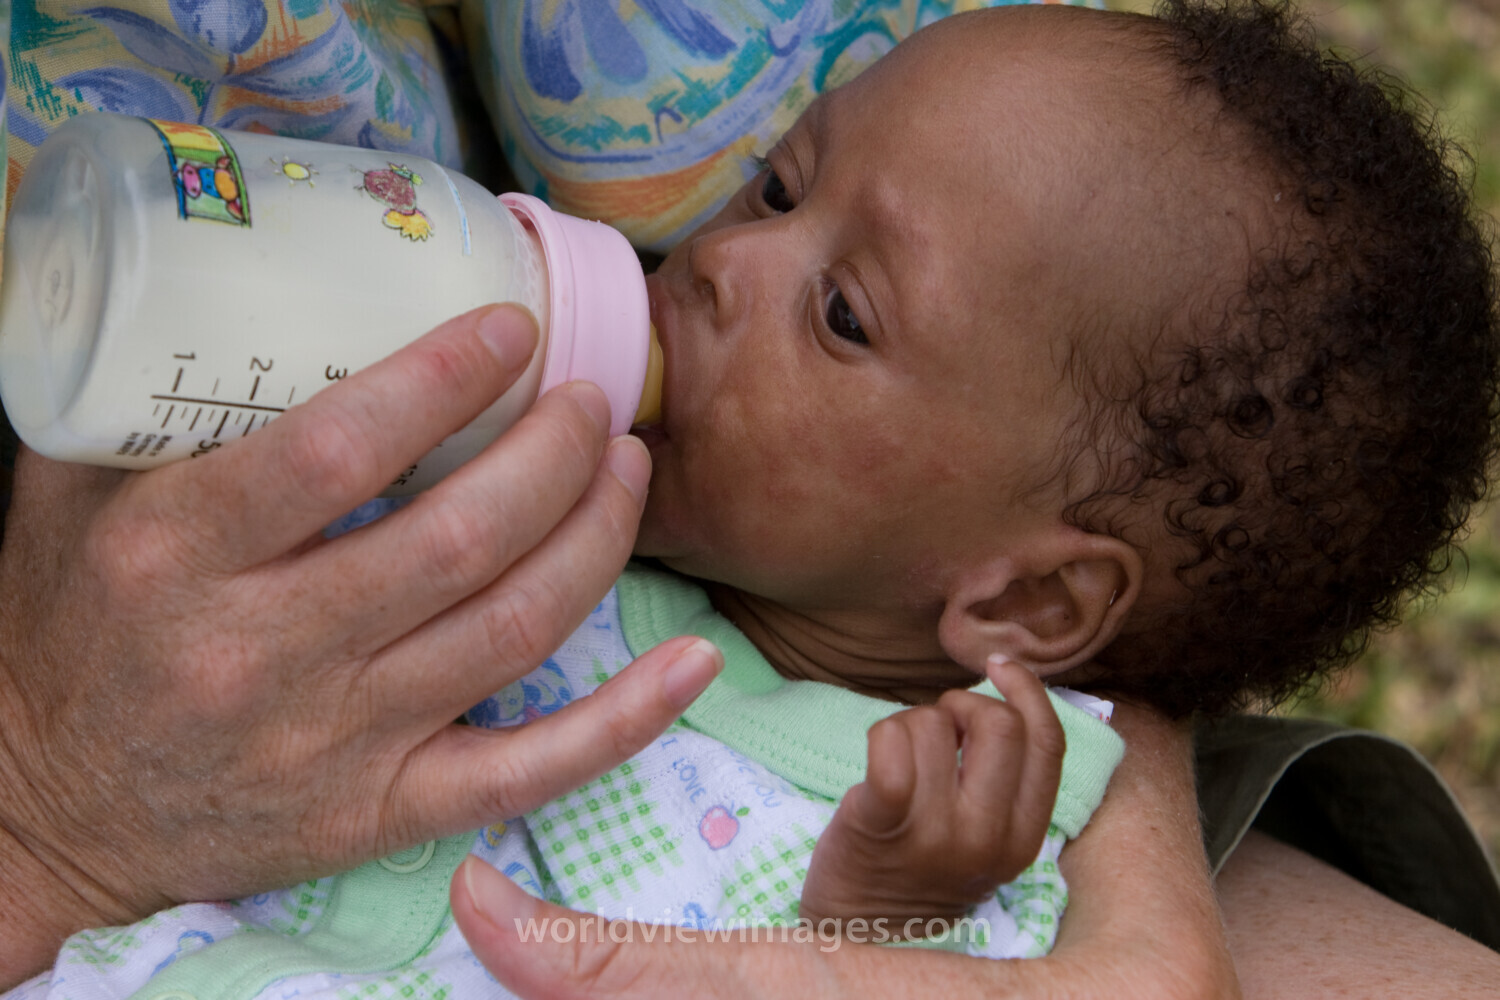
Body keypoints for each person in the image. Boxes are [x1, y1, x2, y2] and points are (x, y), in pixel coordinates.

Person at [2, 1, 1499, 998]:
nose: (721, 259)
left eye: (842, 315)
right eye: (777, 186)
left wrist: (877, 917)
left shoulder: (955, 817)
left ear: (1029, 599)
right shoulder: (520, 467)